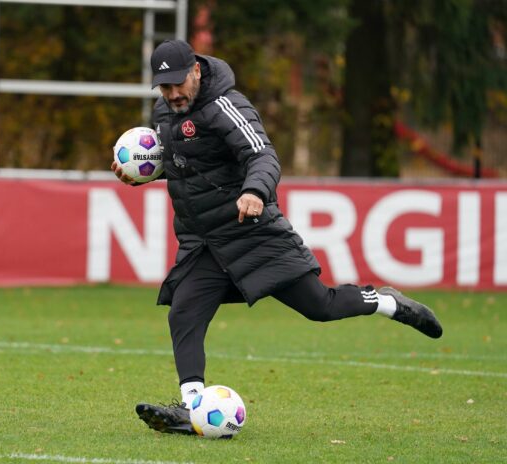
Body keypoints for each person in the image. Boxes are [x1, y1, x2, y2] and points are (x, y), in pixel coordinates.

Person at [111, 39, 443, 436]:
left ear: (196, 71)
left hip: (253, 233)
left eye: (178, 84)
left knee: (321, 306)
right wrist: (144, 170)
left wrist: (254, 191)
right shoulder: (164, 112)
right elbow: (189, 165)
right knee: (184, 311)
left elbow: (262, 156)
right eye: (164, 88)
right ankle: (192, 407)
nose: (173, 94)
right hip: (205, 241)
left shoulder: (226, 106)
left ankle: (387, 301)